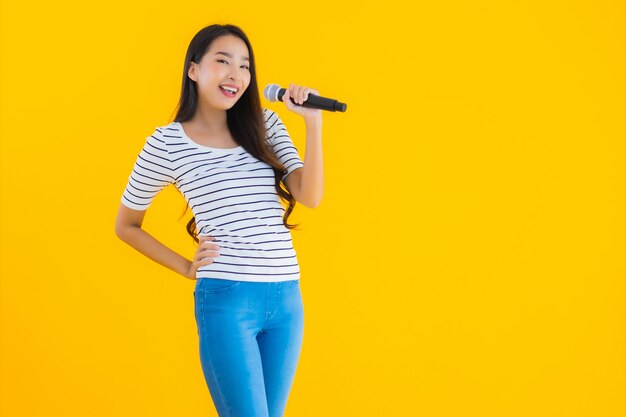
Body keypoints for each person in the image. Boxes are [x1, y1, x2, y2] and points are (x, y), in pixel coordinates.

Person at [114, 23, 324, 417]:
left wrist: (312, 123)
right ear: (194, 69)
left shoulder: (266, 124)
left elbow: (310, 196)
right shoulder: (167, 142)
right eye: (222, 61)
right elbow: (126, 225)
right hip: (228, 301)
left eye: (244, 66)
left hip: (287, 299)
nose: (236, 75)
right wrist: (184, 267)